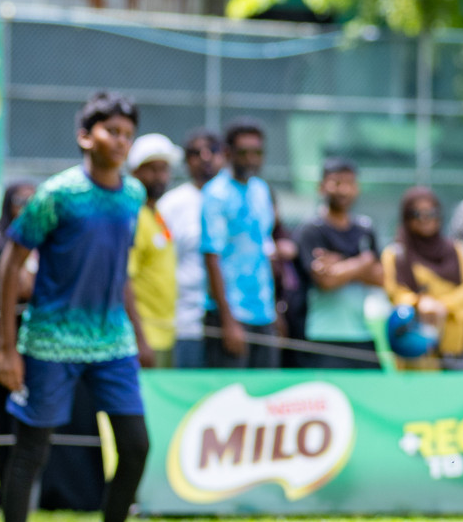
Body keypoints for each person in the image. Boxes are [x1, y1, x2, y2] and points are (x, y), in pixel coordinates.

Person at [0, 91, 157, 522]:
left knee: (135, 445)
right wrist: (7, 348)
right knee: (30, 455)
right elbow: (10, 264)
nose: (121, 142)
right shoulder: (56, 195)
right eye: (111, 131)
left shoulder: (132, 194)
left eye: (128, 134)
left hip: (112, 343)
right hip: (50, 341)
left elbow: (119, 269)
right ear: (86, 136)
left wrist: (140, 332)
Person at [202, 119, 278, 368]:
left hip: (263, 313)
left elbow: (263, 250)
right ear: (227, 153)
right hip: (231, 315)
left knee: (266, 398)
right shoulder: (216, 194)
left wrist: (274, 310)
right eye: (244, 152)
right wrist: (228, 320)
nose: (251, 159)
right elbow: (212, 258)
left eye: (257, 152)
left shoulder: (261, 190)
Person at [294, 158, 383, 369]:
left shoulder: (364, 229)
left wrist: (340, 265)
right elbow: (326, 281)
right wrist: (363, 262)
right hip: (321, 336)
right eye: (336, 183)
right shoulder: (310, 230)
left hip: (361, 334)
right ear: (321, 186)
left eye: (349, 183)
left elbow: (382, 278)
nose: (343, 190)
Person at [382, 187, 463, 362]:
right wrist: (419, 303)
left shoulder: (455, 250)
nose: (425, 219)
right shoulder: (396, 253)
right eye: (417, 214)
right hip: (416, 350)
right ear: (406, 217)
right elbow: (395, 291)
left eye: (431, 213)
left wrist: (442, 306)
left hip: (453, 348)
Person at [157, 129, 224, 368]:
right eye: (196, 153)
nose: (205, 157)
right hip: (187, 323)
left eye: (213, 151)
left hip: (233, 323)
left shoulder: (235, 198)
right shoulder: (171, 205)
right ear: (186, 161)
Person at [0, 181, 35, 505]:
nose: (27, 207)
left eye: (35, 201)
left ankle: (31, 490)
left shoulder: (45, 244)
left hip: (37, 345)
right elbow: (4, 291)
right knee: (4, 419)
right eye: (20, 201)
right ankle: (8, 490)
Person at [125, 134, 182, 369]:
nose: (160, 177)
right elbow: (124, 279)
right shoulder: (134, 217)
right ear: (135, 172)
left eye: (164, 169)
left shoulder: (156, 215)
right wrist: (139, 337)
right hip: (143, 335)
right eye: (152, 170)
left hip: (165, 333)